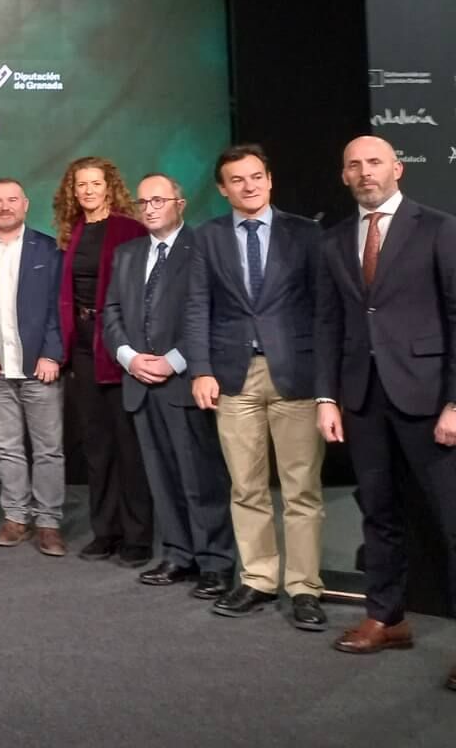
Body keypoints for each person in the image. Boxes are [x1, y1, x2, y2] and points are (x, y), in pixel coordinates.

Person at [315, 135, 456, 688]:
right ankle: (387, 617)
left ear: (397, 168)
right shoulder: (333, 241)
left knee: (451, 520)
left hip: (430, 400)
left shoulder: (438, 228)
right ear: (343, 176)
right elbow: (328, 323)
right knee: (378, 512)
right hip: (363, 400)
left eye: (374, 162)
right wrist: (327, 397)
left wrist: (454, 402)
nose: (365, 171)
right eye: (354, 164)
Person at [183, 143, 326, 630]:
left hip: (295, 374)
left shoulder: (305, 233)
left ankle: (304, 587)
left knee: (301, 489)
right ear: (223, 189)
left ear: (270, 179)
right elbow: (197, 306)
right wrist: (201, 369)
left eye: (256, 176)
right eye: (238, 180)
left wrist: (326, 381)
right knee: (246, 486)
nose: (249, 186)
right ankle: (259, 579)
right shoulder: (207, 237)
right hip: (232, 376)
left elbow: (323, 309)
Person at [101, 173, 234, 597]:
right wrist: (130, 358)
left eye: (158, 200)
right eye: (143, 203)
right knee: (160, 477)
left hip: (185, 381)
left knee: (200, 478)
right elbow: (111, 312)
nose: (150, 209)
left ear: (180, 204)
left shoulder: (203, 248)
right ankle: (178, 554)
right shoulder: (127, 253)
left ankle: (215, 562)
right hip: (140, 382)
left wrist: (175, 361)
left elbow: (213, 314)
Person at [54, 156, 152, 565]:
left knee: (128, 445)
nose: (88, 191)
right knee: (96, 446)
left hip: (118, 346)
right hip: (83, 349)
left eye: (95, 183)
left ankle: (137, 537)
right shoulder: (73, 230)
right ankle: (105, 531)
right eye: (81, 185)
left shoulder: (130, 229)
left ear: (109, 187)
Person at [0, 178, 68, 557]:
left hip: (40, 366)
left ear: (25, 205)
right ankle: (16, 517)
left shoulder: (51, 249)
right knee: (6, 448)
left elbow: (60, 306)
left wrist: (52, 353)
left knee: (48, 449)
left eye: (11, 200)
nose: (4, 206)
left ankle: (48, 522)